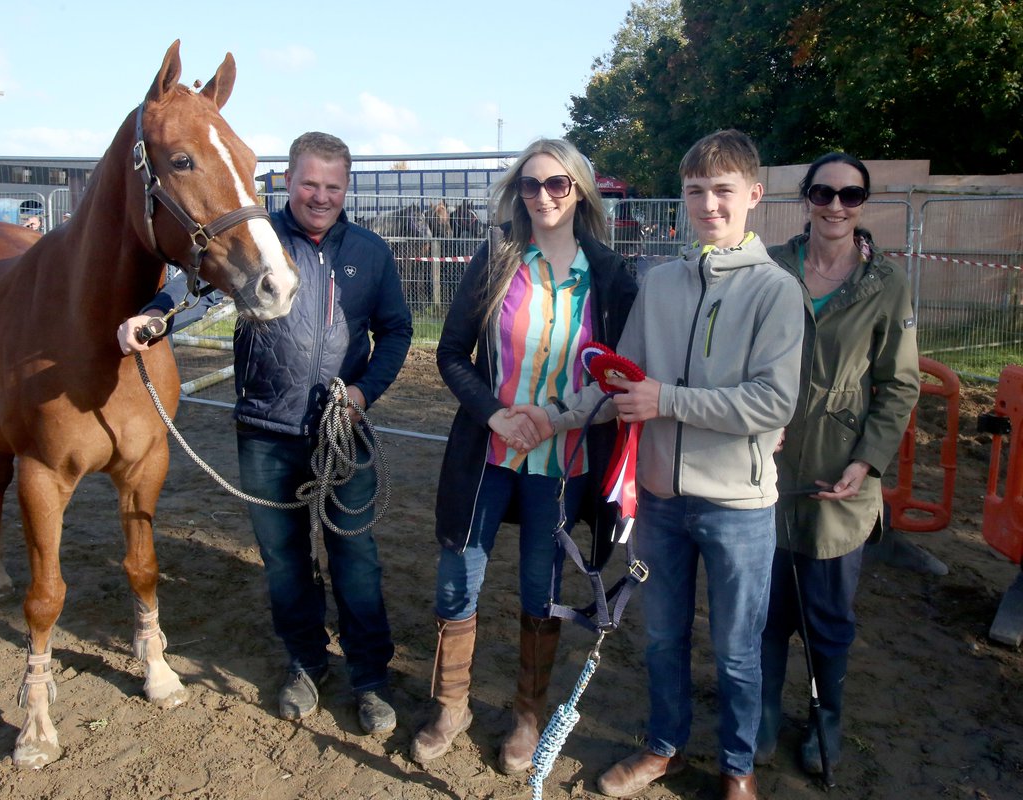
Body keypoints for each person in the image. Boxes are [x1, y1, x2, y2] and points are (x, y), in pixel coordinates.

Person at [116, 131, 412, 735]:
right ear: (287, 180)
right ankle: (305, 664)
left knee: (356, 557)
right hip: (265, 430)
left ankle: (369, 678)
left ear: (345, 187)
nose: (320, 196)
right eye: (309, 183)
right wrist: (153, 314)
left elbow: (398, 332)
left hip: (343, 432)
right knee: (284, 561)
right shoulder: (256, 239)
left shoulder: (372, 254)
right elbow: (192, 285)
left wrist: (362, 392)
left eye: (333, 186)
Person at [542, 129, 805, 800]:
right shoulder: (659, 284)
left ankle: (737, 767)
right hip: (659, 498)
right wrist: (555, 415)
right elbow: (618, 381)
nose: (708, 204)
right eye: (695, 192)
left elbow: (772, 401)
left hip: (739, 506)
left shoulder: (776, 292)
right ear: (682, 199)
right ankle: (664, 747)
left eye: (722, 191)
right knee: (661, 639)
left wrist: (668, 400)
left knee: (737, 651)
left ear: (752, 195)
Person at [411, 138, 638, 772]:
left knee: (540, 590)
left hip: (562, 466)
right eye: (530, 185)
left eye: (557, 184)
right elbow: (451, 352)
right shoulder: (495, 261)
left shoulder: (613, 278)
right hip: (487, 456)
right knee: (459, 578)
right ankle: (451, 704)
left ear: (580, 192)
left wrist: (554, 419)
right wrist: (493, 413)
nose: (543, 196)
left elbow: (621, 376)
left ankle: (527, 715)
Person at [756, 153, 920, 776]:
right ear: (805, 197)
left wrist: (868, 463)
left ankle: (827, 719)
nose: (834, 206)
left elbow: (899, 386)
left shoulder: (887, 285)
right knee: (766, 609)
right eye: (823, 192)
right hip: (764, 472)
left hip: (838, 479)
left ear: (863, 204)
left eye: (850, 196)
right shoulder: (769, 267)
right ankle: (764, 711)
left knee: (827, 616)